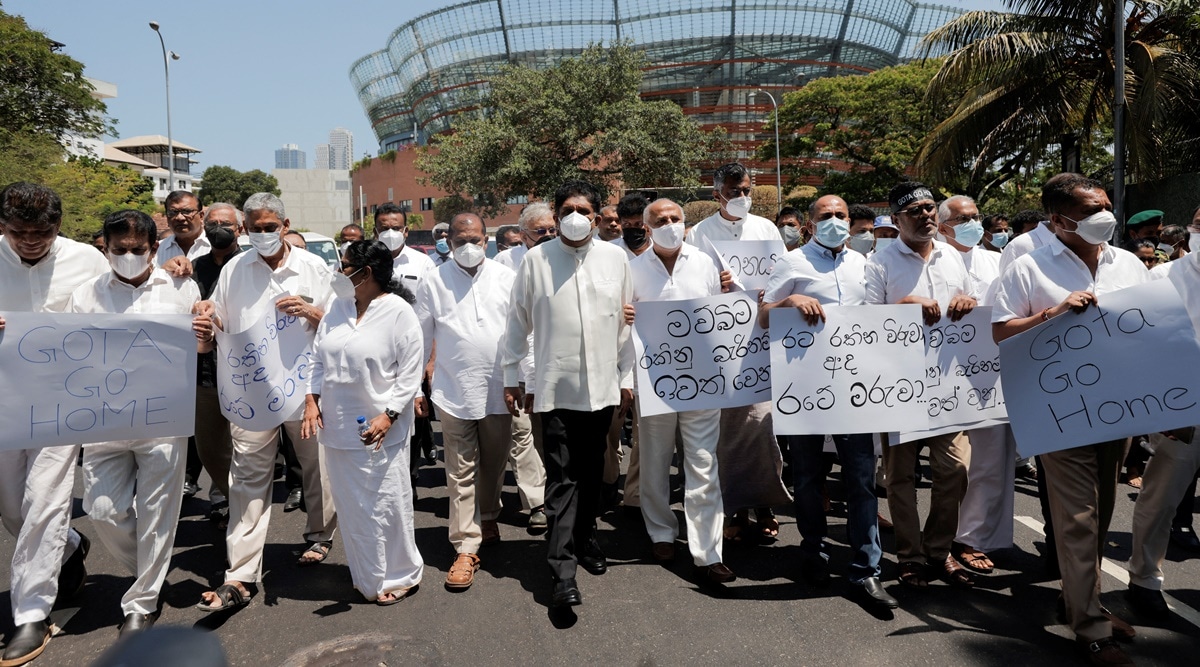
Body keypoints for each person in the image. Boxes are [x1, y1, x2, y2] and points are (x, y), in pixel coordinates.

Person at [991, 173, 1147, 666]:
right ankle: (1091, 629)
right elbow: (1000, 331)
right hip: (1060, 412)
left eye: (1107, 205)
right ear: (1059, 220)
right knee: (1078, 519)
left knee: (1099, 515)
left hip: (1118, 409)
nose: (1106, 216)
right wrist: (1053, 314)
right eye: (1092, 210)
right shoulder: (1027, 267)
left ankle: (1082, 601)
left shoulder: (1128, 263)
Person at [67, 210, 214, 637]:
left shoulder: (180, 287)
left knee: (157, 513)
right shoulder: (85, 294)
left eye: (137, 250)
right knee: (102, 509)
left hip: (161, 419)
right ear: (105, 248)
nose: (128, 256)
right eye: (120, 250)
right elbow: (70, 352)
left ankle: (142, 600)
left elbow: (200, 349)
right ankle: (150, 570)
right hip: (104, 422)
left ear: (154, 249)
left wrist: (204, 336)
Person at [197, 193, 338, 612]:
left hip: (304, 390)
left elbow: (341, 322)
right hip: (251, 393)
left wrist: (312, 311)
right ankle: (241, 573)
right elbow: (220, 317)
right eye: (254, 228)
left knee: (316, 465)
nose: (262, 234)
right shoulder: (235, 269)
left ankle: (320, 534)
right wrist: (208, 314)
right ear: (243, 229)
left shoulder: (314, 268)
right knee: (247, 478)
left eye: (269, 226)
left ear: (285, 223)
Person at [759, 193, 897, 611]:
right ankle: (813, 551)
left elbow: (881, 317)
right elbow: (763, 316)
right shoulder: (793, 262)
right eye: (826, 216)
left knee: (860, 480)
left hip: (856, 391)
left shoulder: (866, 264)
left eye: (841, 215)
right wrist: (787, 301)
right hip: (805, 390)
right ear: (810, 225)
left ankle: (866, 571)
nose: (835, 221)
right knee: (807, 476)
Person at [501, 180, 634, 609]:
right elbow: (517, 322)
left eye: (584, 210)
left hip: (602, 389)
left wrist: (626, 377)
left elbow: (626, 322)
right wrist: (511, 374)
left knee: (594, 473)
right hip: (555, 390)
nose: (575, 217)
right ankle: (561, 571)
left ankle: (586, 539)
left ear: (596, 218)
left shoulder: (616, 259)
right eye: (567, 210)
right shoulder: (536, 261)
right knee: (562, 479)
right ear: (556, 217)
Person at [0, 182, 108, 667]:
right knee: (12, 508)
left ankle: (31, 614)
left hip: (62, 405)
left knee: (43, 500)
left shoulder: (87, 261)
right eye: (18, 232)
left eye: (40, 232)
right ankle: (70, 544)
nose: (29, 241)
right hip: (4, 402)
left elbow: (116, 314)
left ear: (58, 226)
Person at [865, 181, 977, 589]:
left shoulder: (952, 256)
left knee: (955, 469)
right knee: (901, 477)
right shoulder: (880, 263)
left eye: (930, 208)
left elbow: (972, 310)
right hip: (899, 387)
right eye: (915, 211)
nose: (926, 215)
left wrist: (970, 301)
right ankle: (910, 557)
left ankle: (939, 549)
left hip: (949, 386)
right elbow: (863, 322)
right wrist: (905, 306)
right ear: (896, 221)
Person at [302, 240, 424, 605]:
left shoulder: (399, 312)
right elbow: (317, 360)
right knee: (353, 506)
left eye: (345, 265)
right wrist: (312, 399)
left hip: (382, 430)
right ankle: (368, 575)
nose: (339, 271)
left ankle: (402, 573)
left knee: (386, 502)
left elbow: (409, 374)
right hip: (337, 429)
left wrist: (388, 415)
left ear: (365, 273)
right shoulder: (337, 308)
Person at [624, 199, 734, 584]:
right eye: (661, 220)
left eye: (675, 219)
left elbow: (724, 317)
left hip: (703, 383)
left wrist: (731, 291)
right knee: (655, 460)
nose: (669, 224)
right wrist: (625, 318)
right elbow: (622, 327)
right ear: (646, 225)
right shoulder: (633, 269)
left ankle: (708, 551)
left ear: (684, 223)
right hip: (655, 383)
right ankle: (661, 532)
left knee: (703, 463)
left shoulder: (706, 263)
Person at [687, 163, 791, 540]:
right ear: (717, 194)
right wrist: (719, 284)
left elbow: (784, 274)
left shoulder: (766, 230)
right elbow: (693, 286)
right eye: (734, 191)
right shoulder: (700, 234)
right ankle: (733, 510)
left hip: (762, 339)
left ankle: (764, 505)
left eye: (746, 190)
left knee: (762, 426)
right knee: (727, 430)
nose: (742, 197)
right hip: (721, 343)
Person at [414, 213, 515, 590]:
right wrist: (413, 389)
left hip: (501, 388)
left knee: (494, 462)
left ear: (486, 239)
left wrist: (523, 381)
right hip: (452, 390)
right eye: (460, 240)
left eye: (475, 239)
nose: (468, 246)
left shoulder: (507, 278)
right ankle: (465, 546)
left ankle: (488, 515)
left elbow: (525, 332)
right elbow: (420, 337)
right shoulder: (433, 280)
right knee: (459, 471)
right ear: (448, 241)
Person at [1126, 210, 1200, 621]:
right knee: (1162, 499)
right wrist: (1159, 407)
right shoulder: (1160, 279)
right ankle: (1144, 580)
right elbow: (1142, 345)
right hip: (1181, 410)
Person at [936, 196, 1012, 577]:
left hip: (988, 374)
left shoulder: (996, 261)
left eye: (976, 216)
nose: (974, 223)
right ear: (943, 225)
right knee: (949, 467)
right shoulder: (930, 257)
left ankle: (970, 537)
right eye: (964, 218)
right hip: (936, 378)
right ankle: (932, 541)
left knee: (988, 461)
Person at [490, 204, 551, 529]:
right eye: (540, 231)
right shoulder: (503, 265)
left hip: (552, 367)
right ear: (523, 233)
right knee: (522, 435)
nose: (547, 236)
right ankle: (536, 503)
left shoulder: (563, 257)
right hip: (517, 366)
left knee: (548, 436)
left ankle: (556, 494)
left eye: (551, 230)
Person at [191, 204, 242, 530]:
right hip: (204, 371)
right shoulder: (191, 269)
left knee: (245, 449)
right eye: (213, 223)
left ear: (240, 229)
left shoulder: (250, 266)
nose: (219, 228)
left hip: (245, 372)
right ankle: (230, 496)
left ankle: (242, 512)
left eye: (226, 224)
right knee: (209, 448)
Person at [154, 190, 210, 268]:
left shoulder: (216, 247)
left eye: (187, 211)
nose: (180, 218)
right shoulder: (156, 250)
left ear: (201, 216)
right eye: (173, 212)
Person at [611, 192, 652, 260]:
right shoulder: (610, 251)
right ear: (620, 222)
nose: (632, 228)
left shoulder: (661, 252)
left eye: (638, 224)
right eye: (627, 224)